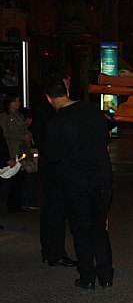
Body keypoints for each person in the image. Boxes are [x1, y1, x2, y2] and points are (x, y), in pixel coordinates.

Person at [43, 79, 113, 289]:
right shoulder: (91, 110)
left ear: (49, 98)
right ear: (67, 91)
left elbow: (52, 156)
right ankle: (106, 275)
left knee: (81, 230)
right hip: (101, 177)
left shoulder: (57, 121)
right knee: (100, 227)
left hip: (76, 181)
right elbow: (105, 138)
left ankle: (87, 277)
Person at [31, 68, 77, 267]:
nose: (69, 83)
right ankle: (54, 252)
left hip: (51, 164)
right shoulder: (51, 109)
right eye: (66, 79)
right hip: (54, 165)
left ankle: (50, 250)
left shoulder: (46, 108)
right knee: (55, 209)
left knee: (52, 209)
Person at [0, 92, 30, 213]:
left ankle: (16, 204)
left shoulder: (19, 115)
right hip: (11, 148)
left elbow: (24, 128)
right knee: (12, 176)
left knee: (20, 178)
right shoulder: (4, 116)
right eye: (16, 101)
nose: (18, 103)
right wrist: (21, 136)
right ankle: (12, 205)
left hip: (21, 149)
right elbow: (5, 133)